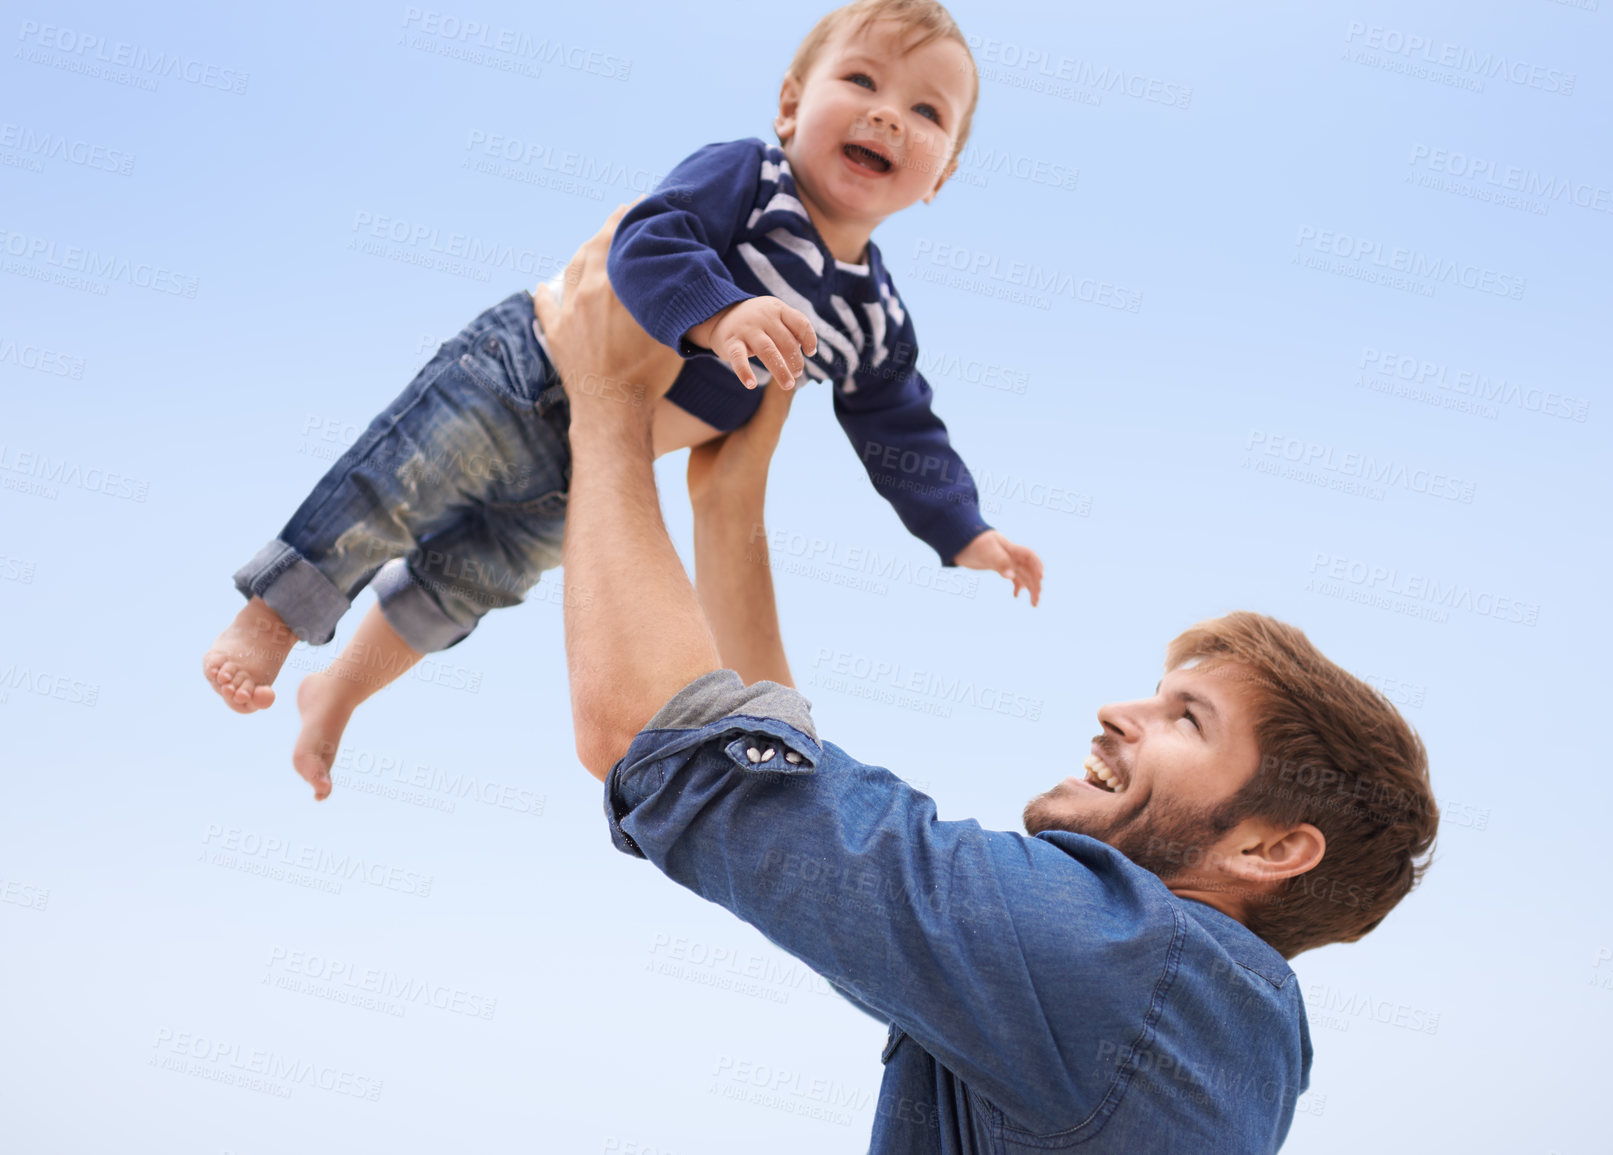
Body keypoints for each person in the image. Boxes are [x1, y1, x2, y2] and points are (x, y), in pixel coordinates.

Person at [545, 209, 1439, 1153]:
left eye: (1187, 719)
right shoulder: (1186, 1022)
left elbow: (663, 743)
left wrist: (602, 399)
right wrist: (728, 510)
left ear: (1270, 849)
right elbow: (792, 802)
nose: (1115, 711)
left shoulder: (1122, 968)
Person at [200, 0, 1043, 800]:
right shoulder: (749, 178)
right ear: (791, 106)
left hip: (597, 477)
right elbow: (649, 236)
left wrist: (961, 527)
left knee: (462, 587)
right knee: (391, 490)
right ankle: (272, 620)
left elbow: (901, 424)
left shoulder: (871, 319)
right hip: (524, 375)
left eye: (926, 111)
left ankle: (339, 694)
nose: (889, 114)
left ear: (942, 178)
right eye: (860, 83)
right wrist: (719, 313)